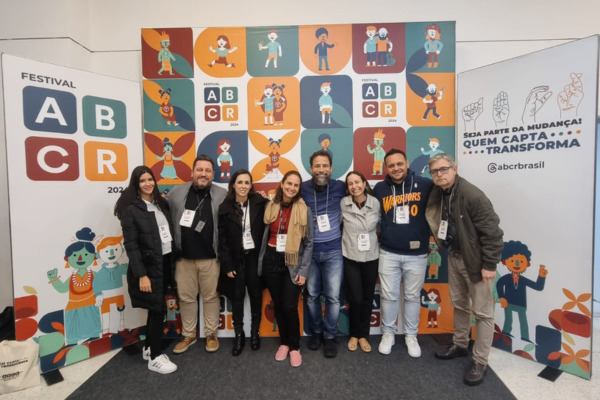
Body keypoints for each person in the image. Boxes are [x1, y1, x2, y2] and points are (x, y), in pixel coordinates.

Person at [425, 153, 504, 386]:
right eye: (434, 171)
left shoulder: (472, 195)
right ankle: (460, 344)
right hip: (455, 255)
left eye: (443, 169)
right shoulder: (440, 192)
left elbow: (493, 232)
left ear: (454, 169)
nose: (439, 174)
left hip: (476, 261)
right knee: (459, 304)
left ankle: (480, 361)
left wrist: (489, 265)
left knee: (483, 313)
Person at [114, 166, 177, 374]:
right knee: (157, 310)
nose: (148, 184)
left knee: (156, 308)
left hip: (164, 262)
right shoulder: (131, 210)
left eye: (150, 179)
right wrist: (142, 275)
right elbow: (131, 246)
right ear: (136, 184)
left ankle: (149, 348)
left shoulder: (160, 204)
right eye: (142, 181)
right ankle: (156, 358)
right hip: (149, 268)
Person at [373, 149, 433, 358]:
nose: (396, 168)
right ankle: (388, 333)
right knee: (388, 296)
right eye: (391, 165)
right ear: (386, 168)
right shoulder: (380, 188)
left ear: (407, 163)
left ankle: (411, 335)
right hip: (388, 252)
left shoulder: (425, 185)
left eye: (399, 164)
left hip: (417, 254)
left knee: (412, 296)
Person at [166, 155, 227, 354]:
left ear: (213, 174)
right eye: (199, 170)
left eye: (208, 171)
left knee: (211, 297)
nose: (203, 174)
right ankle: (188, 334)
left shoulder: (222, 194)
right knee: (186, 298)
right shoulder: (176, 193)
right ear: (192, 172)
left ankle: (211, 334)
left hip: (211, 258)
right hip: (184, 258)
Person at [258, 171, 313, 367]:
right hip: (271, 259)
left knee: (290, 306)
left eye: (296, 185)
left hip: (293, 262)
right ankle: (284, 343)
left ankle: (295, 347)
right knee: (279, 304)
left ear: (299, 188)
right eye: (289, 183)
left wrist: (303, 271)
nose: (292, 188)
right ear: (282, 184)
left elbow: (309, 243)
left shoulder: (304, 210)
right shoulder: (270, 206)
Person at [218, 170, 267, 356]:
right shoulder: (225, 207)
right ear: (233, 184)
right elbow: (222, 240)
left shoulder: (260, 203)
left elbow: (279, 206)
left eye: (247, 182)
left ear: (251, 185)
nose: (244, 186)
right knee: (237, 297)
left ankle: (255, 333)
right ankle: (239, 335)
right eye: (240, 182)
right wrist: (227, 264)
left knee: (255, 295)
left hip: (254, 258)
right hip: (235, 260)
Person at [302, 150, 346, 358]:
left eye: (325, 166)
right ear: (311, 168)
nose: (321, 170)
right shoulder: (302, 188)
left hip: (334, 251)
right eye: (317, 166)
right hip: (309, 252)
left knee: (333, 297)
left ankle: (330, 336)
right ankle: (317, 332)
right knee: (311, 296)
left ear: (331, 168)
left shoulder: (340, 187)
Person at [341, 171, 380, 353]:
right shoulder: (343, 203)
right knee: (355, 298)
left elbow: (381, 225)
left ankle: (363, 334)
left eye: (357, 182)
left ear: (364, 183)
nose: (354, 186)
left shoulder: (376, 203)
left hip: (371, 256)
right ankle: (354, 334)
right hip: (350, 255)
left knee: (367, 297)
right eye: (350, 183)